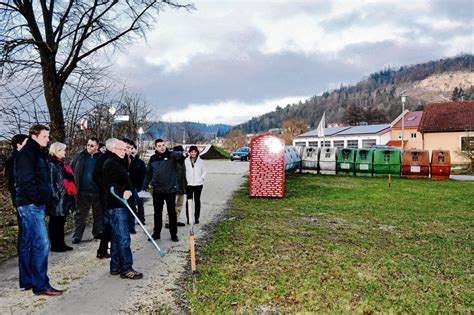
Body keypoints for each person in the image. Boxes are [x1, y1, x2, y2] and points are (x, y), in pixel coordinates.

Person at [14, 124, 62, 296]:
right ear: (34, 136)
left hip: (30, 203)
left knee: (28, 244)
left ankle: (28, 280)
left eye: (48, 137)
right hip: (30, 204)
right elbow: (26, 181)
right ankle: (41, 285)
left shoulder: (36, 153)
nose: (48, 140)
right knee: (41, 243)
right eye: (45, 136)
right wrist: (37, 200)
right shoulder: (27, 153)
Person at [103, 138, 143, 280]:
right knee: (123, 238)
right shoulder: (110, 163)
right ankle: (126, 268)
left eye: (124, 149)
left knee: (116, 238)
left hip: (118, 205)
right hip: (117, 206)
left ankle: (115, 266)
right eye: (121, 149)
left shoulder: (119, 162)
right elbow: (110, 184)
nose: (124, 152)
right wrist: (123, 192)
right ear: (112, 149)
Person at [142, 139, 185, 242]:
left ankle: (173, 234)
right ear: (155, 147)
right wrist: (144, 187)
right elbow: (148, 174)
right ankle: (156, 233)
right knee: (157, 213)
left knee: (172, 213)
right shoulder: (153, 159)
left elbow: (180, 156)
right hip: (157, 190)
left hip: (170, 190)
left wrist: (184, 154)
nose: (162, 147)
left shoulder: (172, 155)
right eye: (159, 146)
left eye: (163, 145)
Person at [71, 137, 102, 244]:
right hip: (82, 190)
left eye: (92, 145)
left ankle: (98, 232)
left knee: (98, 213)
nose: (89, 147)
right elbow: (71, 169)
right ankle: (77, 236)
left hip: (97, 191)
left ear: (97, 147)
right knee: (80, 214)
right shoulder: (80, 156)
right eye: (88, 145)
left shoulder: (101, 158)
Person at [47, 142, 76, 252]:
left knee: (61, 221)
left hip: (64, 196)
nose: (65, 152)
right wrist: (57, 196)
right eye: (63, 150)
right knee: (56, 222)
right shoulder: (52, 164)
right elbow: (51, 182)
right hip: (58, 198)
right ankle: (56, 245)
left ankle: (60, 243)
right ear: (56, 151)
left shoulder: (62, 164)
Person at [93, 139, 113, 259]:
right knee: (108, 223)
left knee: (108, 223)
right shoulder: (104, 159)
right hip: (106, 195)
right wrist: (106, 187)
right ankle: (103, 249)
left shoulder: (111, 158)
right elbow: (96, 176)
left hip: (109, 194)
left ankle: (103, 249)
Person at [4, 134, 28, 207]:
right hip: (23, 198)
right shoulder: (14, 160)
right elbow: (14, 181)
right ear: (18, 145)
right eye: (27, 143)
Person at [165, 145, 186, 228]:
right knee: (172, 205)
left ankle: (175, 220)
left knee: (179, 205)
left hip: (182, 186)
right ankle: (168, 221)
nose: (181, 154)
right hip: (174, 187)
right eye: (180, 152)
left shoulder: (183, 161)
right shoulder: (172, 160)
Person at [185, 145, 207, 224]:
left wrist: (202, 178)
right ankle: (189, 218)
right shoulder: (186, 161)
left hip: (198, 184)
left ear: (197, 152)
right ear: (189, 153)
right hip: (189, 184)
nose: (193, 153)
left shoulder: (201, 161)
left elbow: (204, 170)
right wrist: (186, 180)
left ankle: (196, 217)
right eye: (192, 152)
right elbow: (184, 171)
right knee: (189, 201)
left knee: (197, 201)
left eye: (195, 152)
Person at [129, 144, 147, 225]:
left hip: (139, 185)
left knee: (140, 203)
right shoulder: (127, 161)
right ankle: (131, 221)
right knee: (132, 204)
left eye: (133, 148)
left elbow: (145, 173)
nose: (132, 150)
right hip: (130, 185)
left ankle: (141, 219)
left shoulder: (140, 162)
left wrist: (144, 185)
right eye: (130, 148)